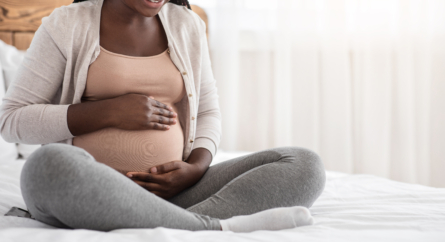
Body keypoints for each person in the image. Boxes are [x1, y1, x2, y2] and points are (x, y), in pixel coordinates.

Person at [0, 0, 326, 232]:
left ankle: (183, 222)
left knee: (302, 164)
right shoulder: (66, 25)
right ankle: (211, 226)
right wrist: (107, 112)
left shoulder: (188, 25)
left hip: (176, 194)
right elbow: (12, 121)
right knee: (47, 166)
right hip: (89, 193)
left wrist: (195, 168)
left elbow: (208, 110)